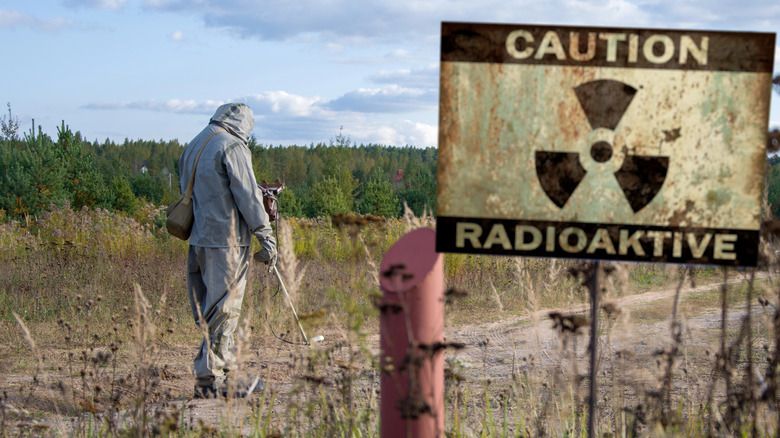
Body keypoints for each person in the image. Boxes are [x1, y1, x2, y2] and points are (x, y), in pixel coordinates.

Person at [178, 102, 277, 398]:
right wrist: (266, 236)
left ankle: (226, 371)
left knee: (211, 312)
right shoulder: (232, 146)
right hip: (227, 242)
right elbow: (248, 197)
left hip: (199, 239)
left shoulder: (195, 144)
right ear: (243, 124)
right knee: (224, 311)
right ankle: (210, 380)